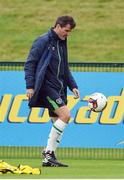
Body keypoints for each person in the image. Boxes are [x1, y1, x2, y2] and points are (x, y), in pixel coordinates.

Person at [24, 15, 80, 167]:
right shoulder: (42, 41)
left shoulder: (62, 43)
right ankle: (48, 153)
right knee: (66, 115)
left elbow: (64, 67)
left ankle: (49, 158)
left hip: (59, 88)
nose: (67, 34)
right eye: (66, 30)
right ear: (58, 26)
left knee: (58, 121)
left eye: (70, 32)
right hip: (46, 87)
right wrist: (30, 86)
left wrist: (72, 85)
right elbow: (30, 63)